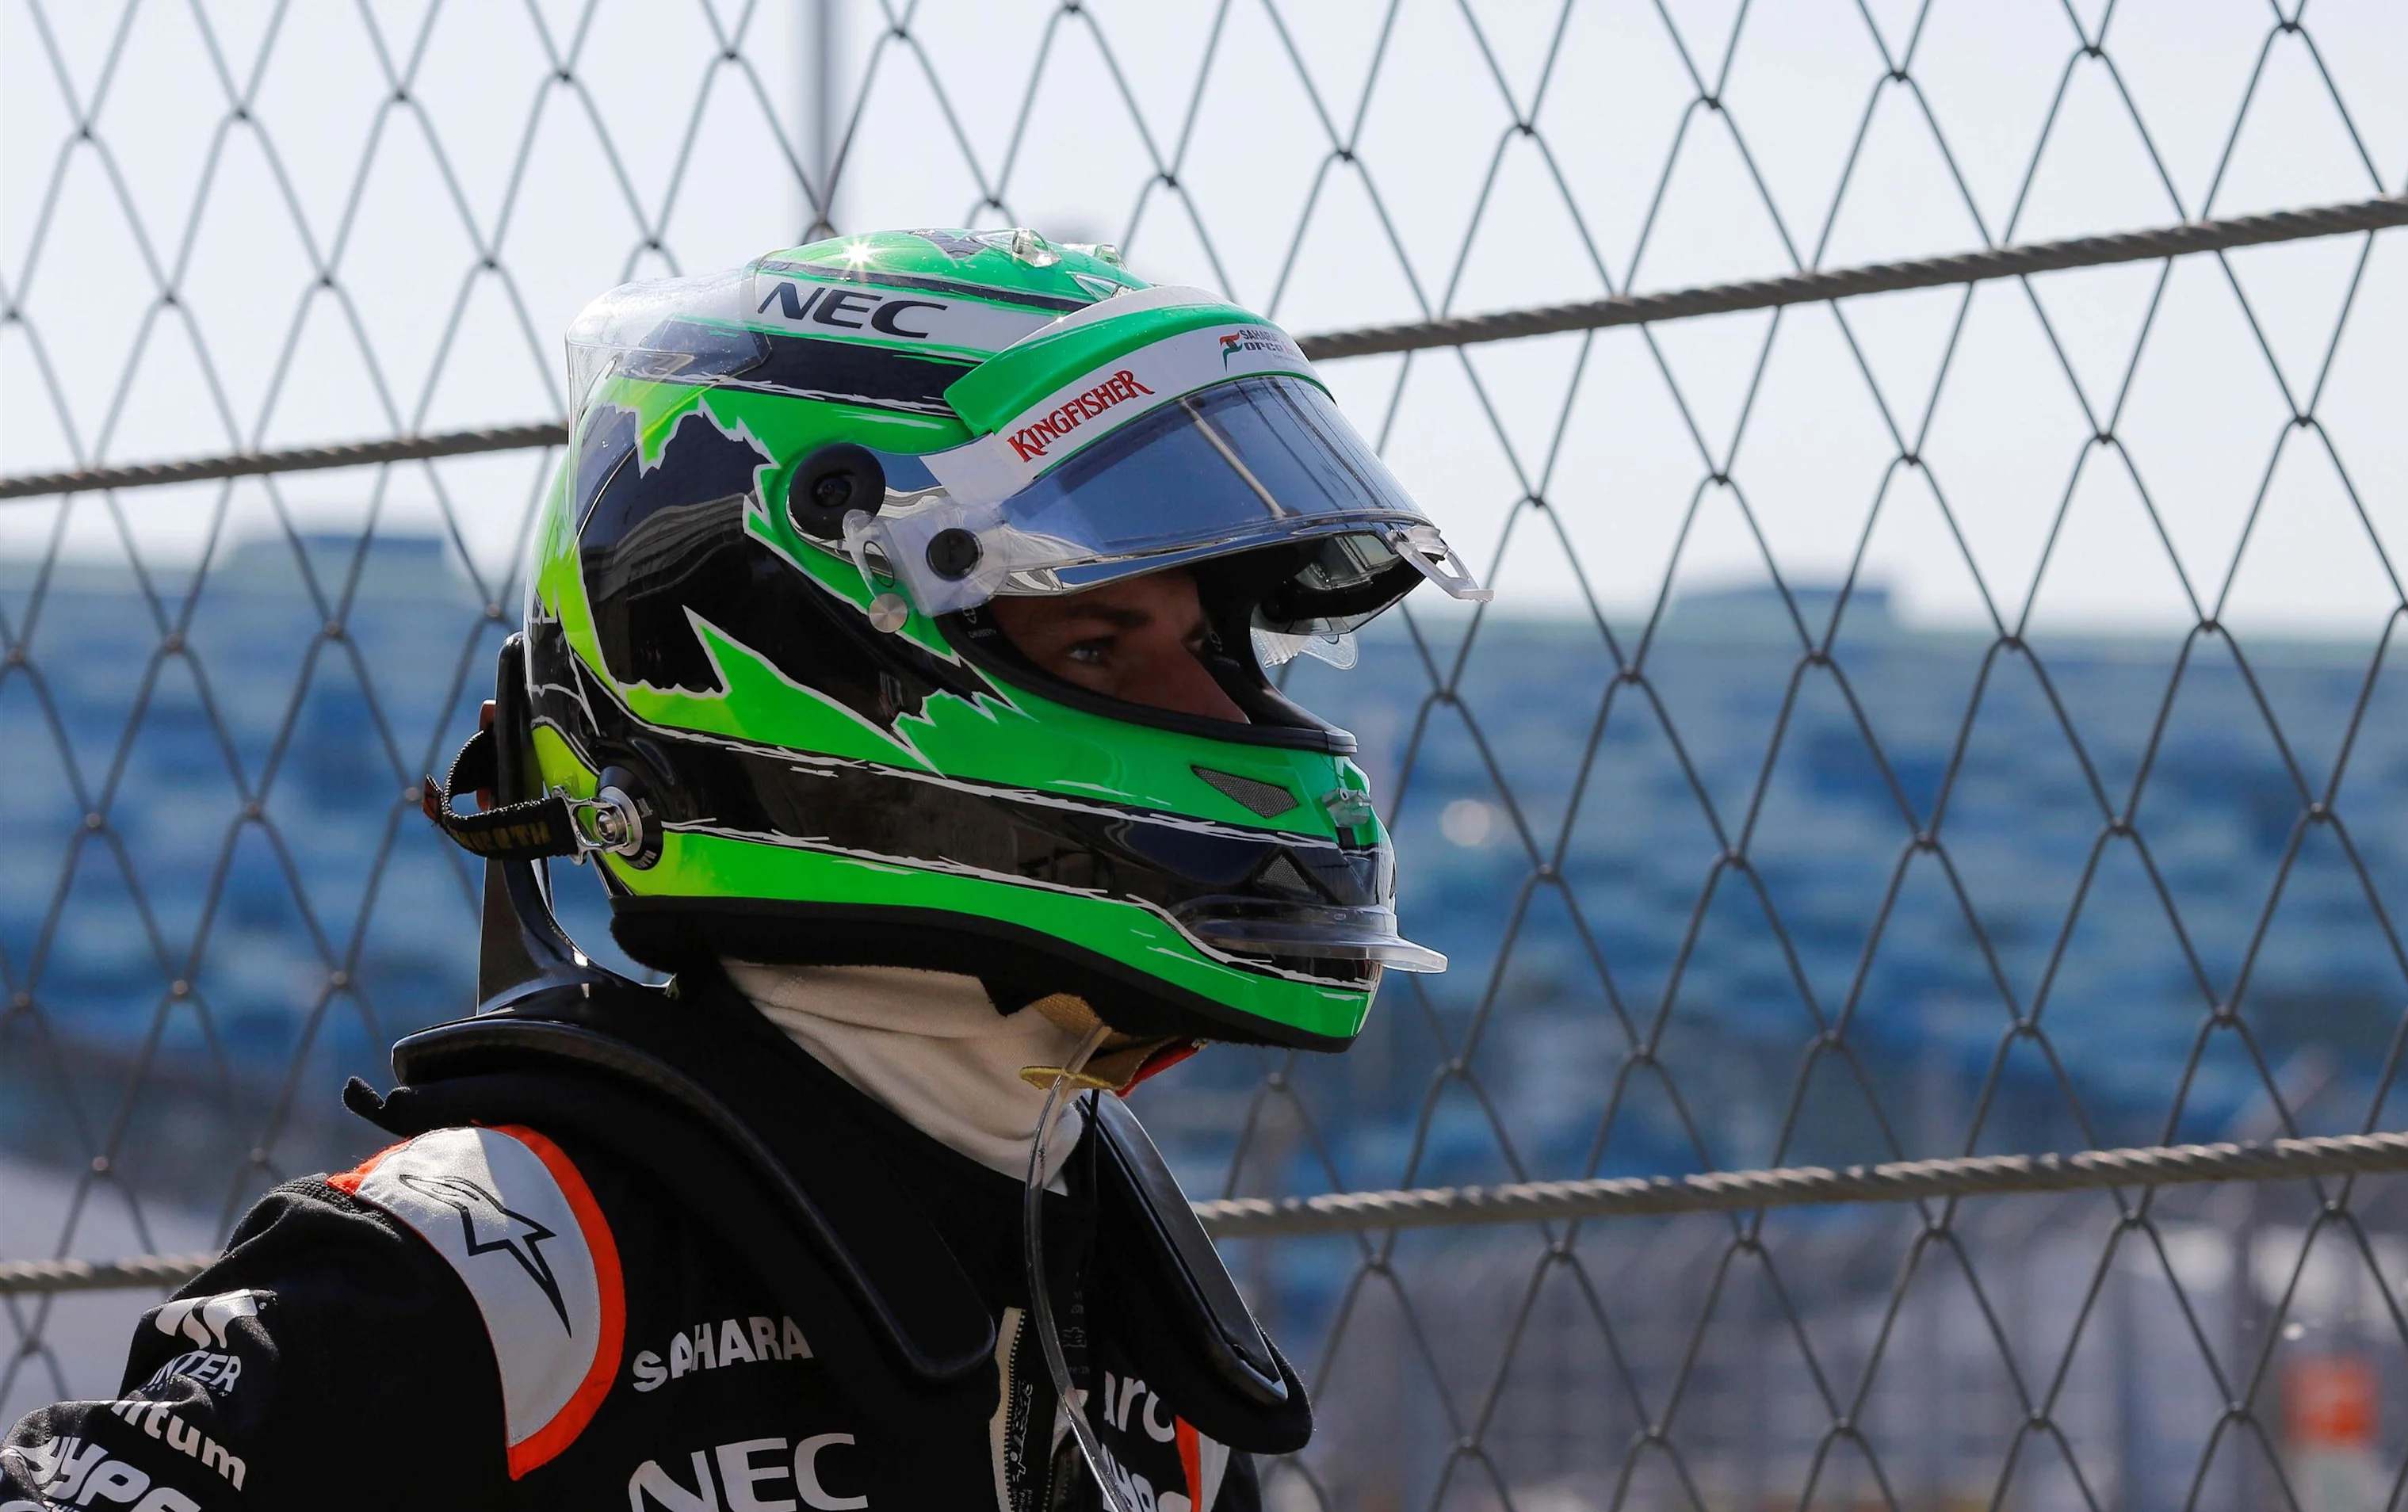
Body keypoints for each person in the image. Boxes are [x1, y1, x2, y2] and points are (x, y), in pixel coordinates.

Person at [2, 229, 1485, 1511]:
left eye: (1222, 647)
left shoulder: (1140, 1324)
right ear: (797, 643)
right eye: (1101, 643)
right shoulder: (489, 1269)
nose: (1233, 717)